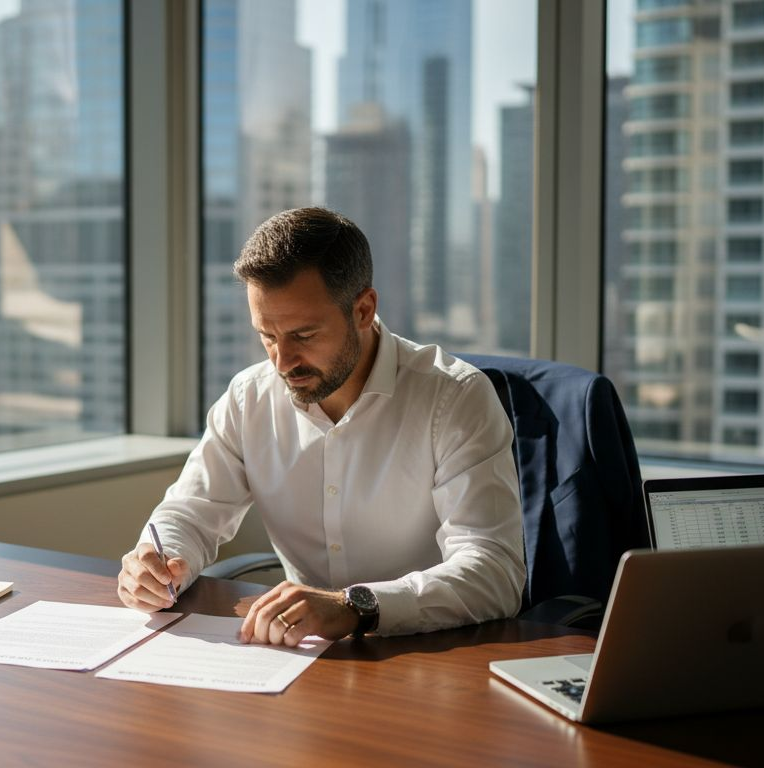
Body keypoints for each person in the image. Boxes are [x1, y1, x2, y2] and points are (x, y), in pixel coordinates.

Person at [116, 207, 526, 646]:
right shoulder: (248, 398)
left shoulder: (455, 398)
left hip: (431, 650)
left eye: (304, 335)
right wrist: (159, 563)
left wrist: (356, 607)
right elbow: (191, 513)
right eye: (267, 336)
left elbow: (494, 571)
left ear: (364, 309)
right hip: (303, 655)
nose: (282, 361)